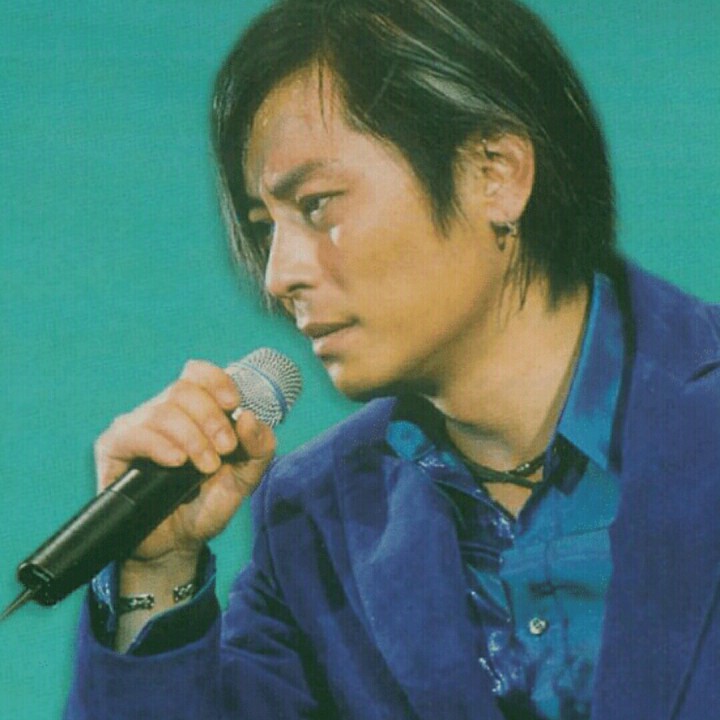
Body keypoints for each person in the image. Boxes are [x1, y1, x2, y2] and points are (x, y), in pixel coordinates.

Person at [65, 1, 720, 718]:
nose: (278, 276)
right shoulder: (314, 517)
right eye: (264, 227)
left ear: (496, 174)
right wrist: (157, 567)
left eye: (317, 205)